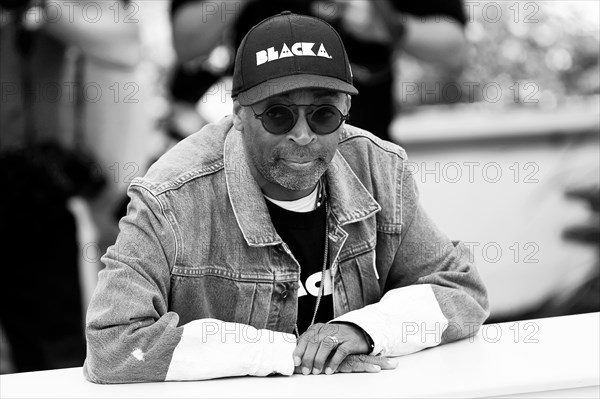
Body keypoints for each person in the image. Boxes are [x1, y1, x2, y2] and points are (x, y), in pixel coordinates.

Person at [84, 12, 488, 383]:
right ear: (239, 114)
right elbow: (115, 344)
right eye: (278, 114)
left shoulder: (378, 168)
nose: (303, 134)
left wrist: (361, 330)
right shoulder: (171, 195)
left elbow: (460, 291)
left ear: (346, 110)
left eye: (323, 114)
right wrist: (284, 353)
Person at [168, 0, 468, 141]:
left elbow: (454, 46)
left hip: (359, 153)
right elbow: (186, 41)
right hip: (253, 152)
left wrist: (389, 26)